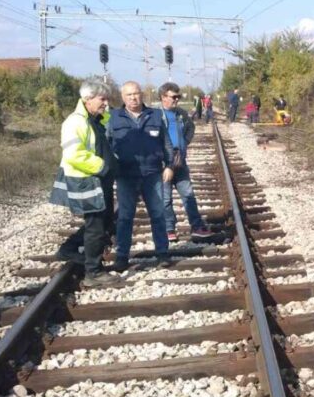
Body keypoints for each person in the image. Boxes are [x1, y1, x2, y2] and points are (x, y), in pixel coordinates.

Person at [51, 80, 120, 286]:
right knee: (96, 225)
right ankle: (94, 272)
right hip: (88, 179)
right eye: (102, 98)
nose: (105, 103)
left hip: (100, 179)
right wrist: (102, 167)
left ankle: (69, 249)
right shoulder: (75, 122)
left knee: (104, 221)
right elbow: (73, 154)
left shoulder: (95, 119)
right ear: (87, 99)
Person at [108, 81, 173, 271]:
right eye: (129, 95)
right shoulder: (113, 117)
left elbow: (166, 142)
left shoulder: (155, 115)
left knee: (158, 214)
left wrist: (169, 166)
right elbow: (106, 144)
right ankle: (122, 256)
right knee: (125, 217)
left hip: (152, 173)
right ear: (122, 97)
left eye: (136, 94)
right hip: (126, 175)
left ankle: (162, 253)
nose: (133, 98)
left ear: (142, 94)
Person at [158, 82, 211, 242]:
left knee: (188, 194)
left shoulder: (180, 113)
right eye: (174, 97)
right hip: (162, 163)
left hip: (180, 160)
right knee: (165, 198)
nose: (177, 100)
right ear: (163, 97)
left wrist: (184, 144)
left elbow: (191, 127)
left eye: (178, 97)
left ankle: (196, 226)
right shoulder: (155, 115)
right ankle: (169, 229)